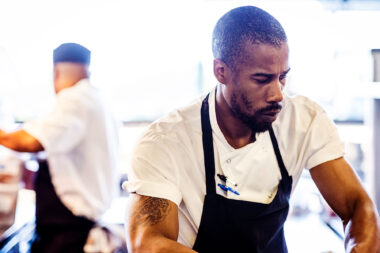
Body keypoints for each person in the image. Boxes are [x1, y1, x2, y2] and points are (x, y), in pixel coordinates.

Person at [123, 6, 380, 253]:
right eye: (262, 79)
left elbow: (357, 207)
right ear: (220, 71)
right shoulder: (165, 141)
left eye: (282, 77)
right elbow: (149, 243)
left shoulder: (303, 121)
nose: (278, 94)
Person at [0, 43, 120, 252]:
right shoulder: (98, 100)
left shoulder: (75, 100)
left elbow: (28, 141)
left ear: (55, 72)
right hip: (80, 227)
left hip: (70, 235)